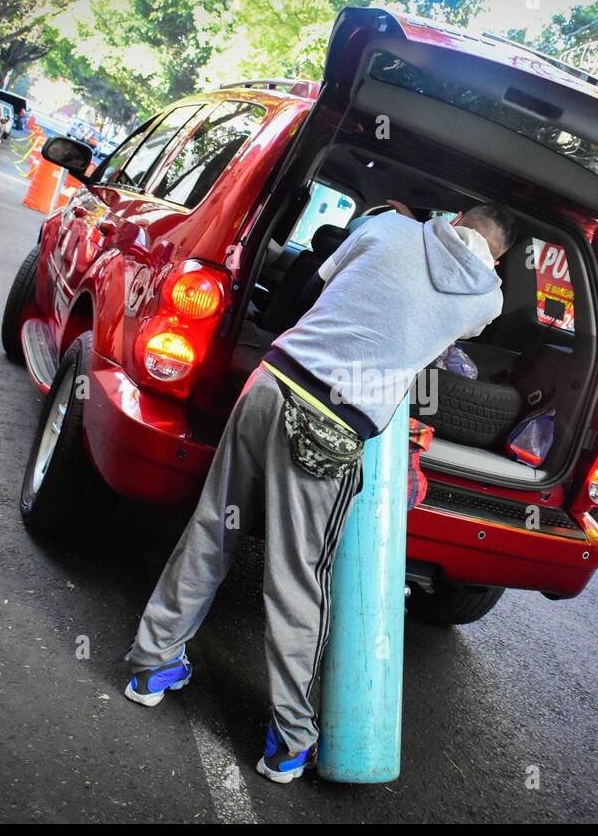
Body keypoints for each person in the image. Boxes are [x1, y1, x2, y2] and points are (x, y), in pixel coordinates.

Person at [124, 201, 515, 782]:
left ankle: (151, 666)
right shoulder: (488, 297)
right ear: (499, 256)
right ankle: (289, 742)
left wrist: (410, 225)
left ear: (456, 216)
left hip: (274, 379)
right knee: (297, 575)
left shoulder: (385, 227)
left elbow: (325, 283)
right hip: (332, 424)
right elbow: (443, 333)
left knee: (214, 527)